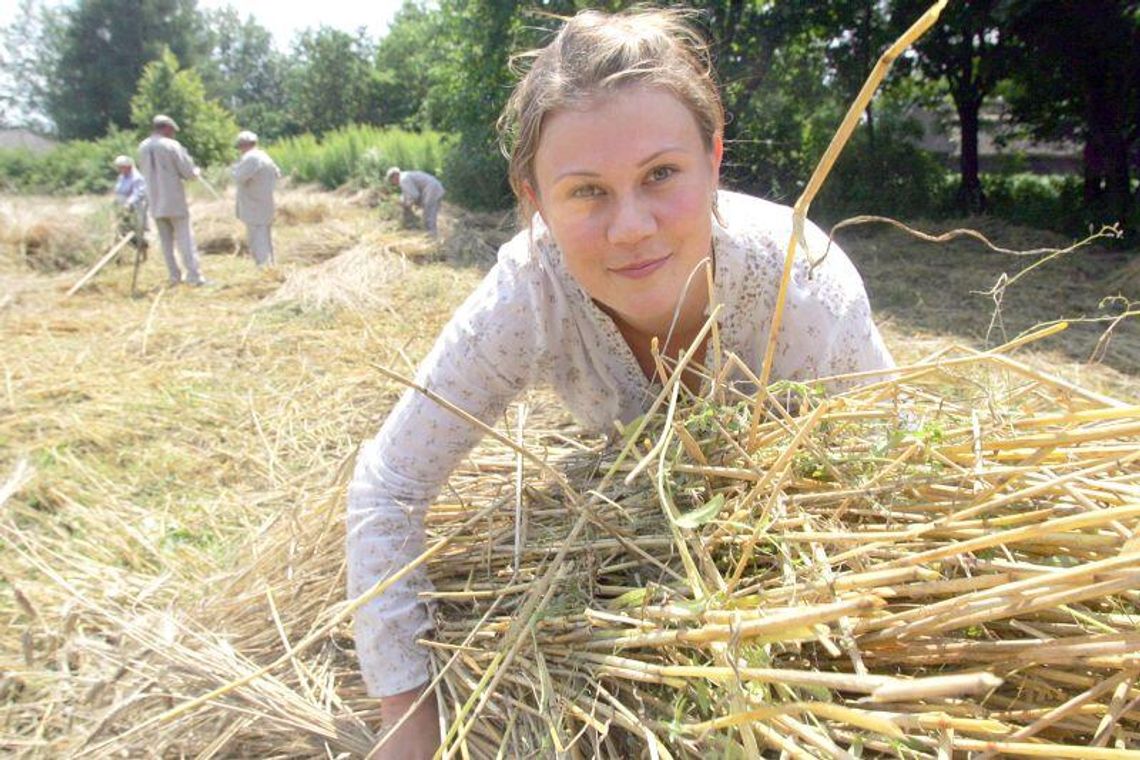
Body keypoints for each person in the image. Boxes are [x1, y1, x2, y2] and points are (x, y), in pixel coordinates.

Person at [348, 8, 895, 758]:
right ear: (536, 200)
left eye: (661, 175)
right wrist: (409, 713)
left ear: (714, 158)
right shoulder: (527, 296)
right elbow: (390, 482)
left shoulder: (799, 285)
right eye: (586, 192)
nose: (631, 226)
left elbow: (887, 476)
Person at [137, 114, 206, 286]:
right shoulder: (171, 145)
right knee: (185, 240)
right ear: (167, 128)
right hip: (173, 199)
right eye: (172, 130)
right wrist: (196, 172)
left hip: (154, 200)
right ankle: (194, 276)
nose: (173, 134)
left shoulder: (142, 147)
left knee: (165, 242)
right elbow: (188, 172)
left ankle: (174, 276)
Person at [231, 130, 281, 267]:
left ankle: (264, 270)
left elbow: (238, 177)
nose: (239, 150)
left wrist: (234, 168)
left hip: (254, 206)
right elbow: (277, 173)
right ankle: (271, 267)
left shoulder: (250, 158)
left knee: (257, 240)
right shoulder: (265, 156)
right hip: (266, 203)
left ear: (244, 145)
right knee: (266, 239)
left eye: (240, 146)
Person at [386, 166, 445, 237]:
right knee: (429, 214)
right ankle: (432, 235)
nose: (393, 183)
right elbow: (407, 195)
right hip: (434, 188)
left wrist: (408, 205)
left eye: (391, 180)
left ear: (395, 176)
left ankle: (432, 237)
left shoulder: (403, 179)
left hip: (432, 190)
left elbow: (414, 195)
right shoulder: (405, 176)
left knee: (428, 215)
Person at [112, 155, 148, 258]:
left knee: (136, 231)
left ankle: (143, 251)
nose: (119, 169)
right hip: (121, 208)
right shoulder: (121, 178)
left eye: (120, 167)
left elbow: (139, 193)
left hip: (134, 208)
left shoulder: (137, 178)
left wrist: (128, 203)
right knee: (122, 231)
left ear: (128, 166)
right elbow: (118, 191)